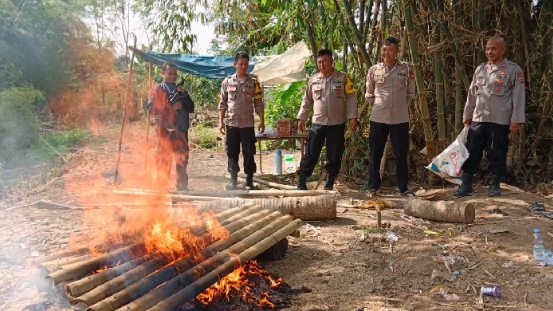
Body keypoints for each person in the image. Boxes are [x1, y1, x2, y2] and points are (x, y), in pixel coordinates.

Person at [454, 36, 525, 197]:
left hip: (500, 118)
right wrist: (467, 113)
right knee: (472, 149)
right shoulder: (481, 69)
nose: (490, 51)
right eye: (487, 48)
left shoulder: (513, 70)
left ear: (503, 50)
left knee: (497, 151)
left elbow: (519, 96)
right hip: (479, 117)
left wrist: (516, 119)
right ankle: (467, 182)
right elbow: (472, 94)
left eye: (493, 48)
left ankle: (494, 183)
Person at [296, 49, 358, 190]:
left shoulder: (343, 78)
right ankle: (302, 180)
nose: (322, 65)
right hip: (318, 123)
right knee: (311, 153)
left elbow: (352, 97)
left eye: (325, 61)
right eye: (319, 62)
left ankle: (329, 182)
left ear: (331, 61)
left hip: (336, 123)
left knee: (334, 154)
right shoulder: (313, 80)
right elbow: (307, 100)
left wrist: (353, 116)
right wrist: (302, 119)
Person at [365, 37, 416, 196]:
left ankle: (403, 187)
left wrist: (399, 105)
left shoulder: (407, 69)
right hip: (378, 117)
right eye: (384, 49)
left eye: (390, 50)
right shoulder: (373, 70)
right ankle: (373, 186)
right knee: (375, 153)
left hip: (400, 118)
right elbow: (369, 95)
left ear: (397, 51)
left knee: (401, 153)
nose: (386, 53)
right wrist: (381, 105)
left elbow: (410, 93)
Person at [218, 51, 264, 190]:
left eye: (245, 64)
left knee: (249, 152)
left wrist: (262, 121)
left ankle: (249, 180)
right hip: (231, 123)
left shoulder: (253, 83)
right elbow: (223, 103)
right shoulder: (227, 82)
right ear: (235, 64)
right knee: (232, 152)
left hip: (247, 124)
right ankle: (233, 181)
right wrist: (220, 121)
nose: (243, 66)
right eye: (240, 64)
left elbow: (258, 102)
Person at [147, 62, 194, 191]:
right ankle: (162, 187)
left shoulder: (180, 90)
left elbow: (191, 108)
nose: (173, 76)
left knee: (182, 160)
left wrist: (183, 96)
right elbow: (151, 109)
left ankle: (182, 186)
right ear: (163, 73)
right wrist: (170, 107)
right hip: (165, 131)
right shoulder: (157, 89)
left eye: (175, 74)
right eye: (170, 73)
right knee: (164, 160)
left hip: (181, 131)